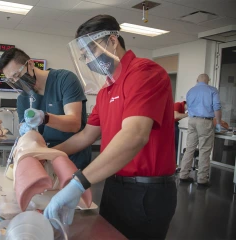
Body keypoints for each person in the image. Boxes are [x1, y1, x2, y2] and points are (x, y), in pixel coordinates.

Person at [43, 15, 177, 239]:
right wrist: (48, 153)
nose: (88, 61)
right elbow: (86, 135)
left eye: (90, 52)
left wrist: (78, 183)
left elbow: (134, 136)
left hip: (147, 191)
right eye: (83, 56)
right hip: (114, 185)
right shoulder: (106, 90)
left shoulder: (145, 73)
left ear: (112, 41)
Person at [0, 48, 91, 170]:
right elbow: (27, 134)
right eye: (12, 80)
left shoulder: (64, 80)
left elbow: (74, 123)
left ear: (30, 64)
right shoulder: (23, 98)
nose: (17, 81)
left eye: (17, 75)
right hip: (44, 161)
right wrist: (26, 133)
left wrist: (44, 118)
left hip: (72, 161)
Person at [179, 74, 222, 187]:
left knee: (189, 149)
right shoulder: (212, 90)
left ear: (197, 80)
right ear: (208, 81)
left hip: (192, 121)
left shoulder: (191, 91)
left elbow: (187, 107)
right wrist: (218, 122)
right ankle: (202, 179)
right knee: (204, 150)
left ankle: (183, 175)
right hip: (205, 122)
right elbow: (217, 107)